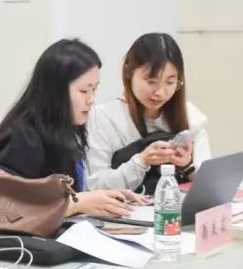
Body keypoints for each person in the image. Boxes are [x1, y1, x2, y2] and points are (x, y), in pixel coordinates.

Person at [0, 38, 140, 218]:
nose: (91, 100)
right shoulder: (21, 138)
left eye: (94, 90)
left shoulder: (63, 131)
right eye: (84, 91)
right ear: (56, 91)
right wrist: (76, 203)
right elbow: (6, 211)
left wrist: (103, 197)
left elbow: (61, 194)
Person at [87, 32, 210, 193]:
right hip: (126, 208)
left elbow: (208, 183)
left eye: (170, 82)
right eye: (151, 81)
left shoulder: (190, 115)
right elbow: (95, 185)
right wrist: (141, 161)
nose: (160, 92)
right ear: (129, 72)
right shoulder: (103, 118)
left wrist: (187, 166)